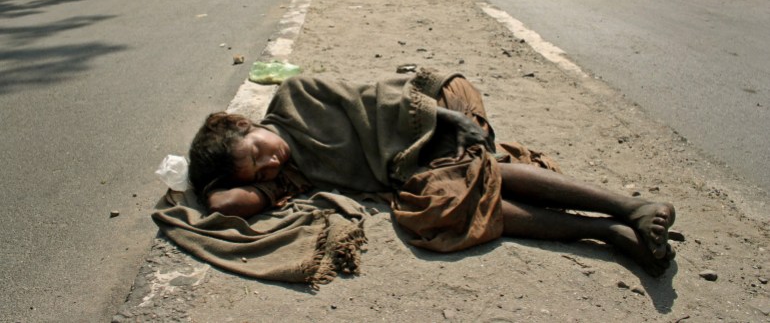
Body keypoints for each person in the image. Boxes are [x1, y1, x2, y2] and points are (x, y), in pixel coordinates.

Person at [188, 69, 677, 277]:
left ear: (244, 123)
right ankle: (607, 233)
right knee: (439, 207)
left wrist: (450, 123)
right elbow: (229, 206)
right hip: (415, 158)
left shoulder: (298, 95)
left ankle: (629, 206)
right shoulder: (289, 174)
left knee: (471, 171)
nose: (270, 163)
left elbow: (381, 100)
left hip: (436, 107)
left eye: (258, 150)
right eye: (257, 172)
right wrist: (219, 185)